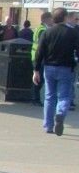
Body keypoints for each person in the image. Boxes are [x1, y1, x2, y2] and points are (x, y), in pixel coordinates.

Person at [32, 7, 79, 136]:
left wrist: (36, 70)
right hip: (66, 67)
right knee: (64, 96)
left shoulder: (47, 32)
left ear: (53, 18)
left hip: (49, 68)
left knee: (49, 96)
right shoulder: (72, 33)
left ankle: (48, 125)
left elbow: (39, 51)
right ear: (65, 18)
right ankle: (60, 113)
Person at [31, 11, 53, 105]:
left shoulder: (41, 28)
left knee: (39, 79)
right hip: (39, 57)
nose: (52, 20)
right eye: (51, 19)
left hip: (37, 56)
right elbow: (43, 45)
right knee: (39, 80)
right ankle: (35, 99)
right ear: (46, 19)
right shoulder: (42, 29)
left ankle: (35, 98)